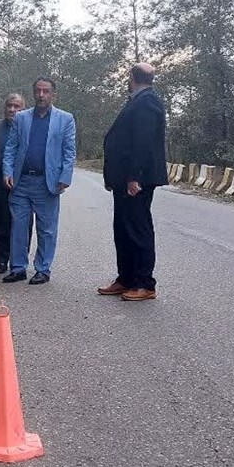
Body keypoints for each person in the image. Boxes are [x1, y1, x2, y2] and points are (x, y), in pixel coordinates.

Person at [98, 63, 167, 301]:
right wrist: (113, 177)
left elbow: (143, 142)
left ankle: (145, 283)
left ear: (131, 77)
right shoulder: (137, 100)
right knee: (123, 229)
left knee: (138, 229)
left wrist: (134, 176)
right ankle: (126, 278)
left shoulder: (147, 102)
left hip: (137, 180)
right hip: (124, 179)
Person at [2, 77, 76, 285]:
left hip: (47, 183)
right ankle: (18, 268)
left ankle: (43, 269)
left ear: (53, 95)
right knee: (18, 226)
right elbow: (11, 147)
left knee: (47, 229)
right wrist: (7, 171)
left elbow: (69, 151)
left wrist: (65, 176)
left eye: (46, 91)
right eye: (38, 91)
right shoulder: (21, 118)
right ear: (33, 93)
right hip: (21, 181)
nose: (41, 95)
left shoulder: (65, 119)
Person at [0, 94, 26, 273]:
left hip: (23, 183)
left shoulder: (29, 128)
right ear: (4, 107)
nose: (12, 109)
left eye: (17, 106)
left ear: (23, 109)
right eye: (9, 105)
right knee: (0, 223)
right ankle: (1, 260)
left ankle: (19, 261)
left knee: (22, 223)